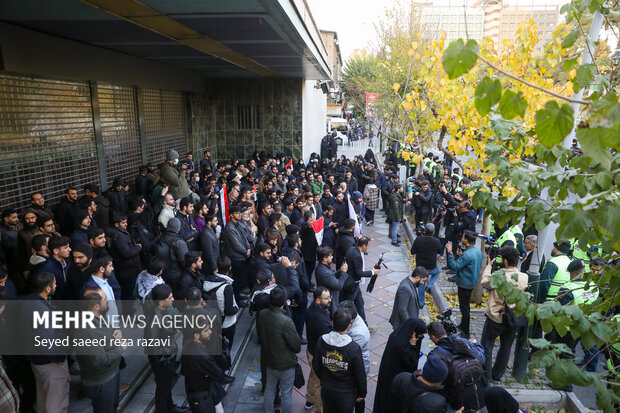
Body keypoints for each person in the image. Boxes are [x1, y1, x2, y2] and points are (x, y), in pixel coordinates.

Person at [21, 271, 70, 413]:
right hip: (51, 365)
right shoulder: (42, 311)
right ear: (47, 288)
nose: (56, 285)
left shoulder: (27, 302)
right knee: (56, 404)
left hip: (37, 362)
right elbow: (50, 344)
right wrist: (61, 356)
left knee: (43, 399)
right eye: (54, 283)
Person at [480, 247, 528, 382]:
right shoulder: (524, 277)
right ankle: (497, 375)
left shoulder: (499, 276)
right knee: (506, 346)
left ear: (505, 261)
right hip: (513, 318)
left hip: (495, 316)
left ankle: (486, 375)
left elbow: (484, 282)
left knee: (487, 346)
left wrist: (489, 266)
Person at [75, 287, 125, 413]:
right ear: (96, 306)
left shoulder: (98, 316)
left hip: (111, 374)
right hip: (102, 382)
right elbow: (97, 360)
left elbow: (105, 334)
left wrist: (115, 332)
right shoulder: (85, 330)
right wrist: (119, 348)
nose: (108, 300)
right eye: (104, 298)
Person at [313, 307, 366, 413]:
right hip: (346, 394)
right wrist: (362, 393)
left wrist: (324, 378)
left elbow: (316, 365)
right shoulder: (354, 348)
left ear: (332, 322)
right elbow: (360, 374)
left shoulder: (321, 341)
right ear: (349, 326)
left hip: (327, 390)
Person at [257, 286, 301, 413]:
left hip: (269, 360)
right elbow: (296, 346)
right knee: (286, 393)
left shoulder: (263, 314)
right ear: (284, 302)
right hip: (285, 363)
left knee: (270, 388)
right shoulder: (286, 321)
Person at [144, 284, 185, 413]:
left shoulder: (163, 312)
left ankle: (170, 406)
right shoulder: (155, 319)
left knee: (165, 387)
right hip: (163, 360)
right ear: (161, 301)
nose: (173, 299)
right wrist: (163, 361)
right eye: (170, 297)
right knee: (162, 389)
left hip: (167, 356)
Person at [374, 318, 427, 413]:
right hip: (396, 379)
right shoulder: (402, 346)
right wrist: (412, 346)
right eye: (420, 334)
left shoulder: (396, 336)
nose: (421, 337)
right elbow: (411, 364)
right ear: (413, 332)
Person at [181, 323, 234, 413]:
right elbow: (220, 376)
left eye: (209, 329)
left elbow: (184, 370)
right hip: (203, 395)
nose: (210, 332)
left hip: (195, 391)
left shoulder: (188, 345)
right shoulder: (203, 356)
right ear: (196, 335)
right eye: (206, 331)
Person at [446, 230, 484, 338]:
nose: (461, 237)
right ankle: (463, 325)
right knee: (465, 306)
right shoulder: (477, 251)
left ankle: (465, 331)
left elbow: (455, 266)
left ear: (466, 240)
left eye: (463, 236)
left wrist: (450, 253)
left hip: (464, 284)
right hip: (471, 282)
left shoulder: (467, 254)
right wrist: (460, 256)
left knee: (464, 308)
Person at [304, 287, 333, 412]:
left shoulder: (312, 310)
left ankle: (309, 400)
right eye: (326, 299)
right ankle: (319, 409)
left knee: (313, 376)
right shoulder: (319, 319)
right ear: (317, 300)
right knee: (319, 385)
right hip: (317, 355)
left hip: (311, 350)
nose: (330, 300)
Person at [204, 256, 239, 346]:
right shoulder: (227, 287)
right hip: (226, 324)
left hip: (211, 322)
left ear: (217, 268)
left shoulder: (207, 281)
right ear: (230, 268)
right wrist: (236, 308)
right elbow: (229, 311)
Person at [344, 236, 380, 322]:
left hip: (354, 284)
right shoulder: (357, 255)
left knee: (360, 303)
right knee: (348, 306)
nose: (368, 248)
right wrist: (372, 272)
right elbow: (359, 273)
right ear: (363, 245)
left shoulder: (351, 249)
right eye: (368, 246)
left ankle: (364, 323)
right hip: (352, 284)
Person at [410, 222, 442, 306]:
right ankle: (430, 285)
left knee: (421, 284)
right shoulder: (436, 241)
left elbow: (412, 252)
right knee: (437, 272)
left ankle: (421, 303)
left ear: (424, 230)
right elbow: (440, 252)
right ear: (433, 232)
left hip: (420, 268)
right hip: (432, 267)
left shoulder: (418, 239)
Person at [315, 246, 348, 315]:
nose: (332, 257)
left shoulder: (323, 267)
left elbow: (332, 276)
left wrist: (340, 271)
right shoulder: (324, 272)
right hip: (329, 303)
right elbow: (338, 285)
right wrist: (343, 272)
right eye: (330, 256)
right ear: (325, 259)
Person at [37, 235, 72, 300]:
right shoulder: (46, 269)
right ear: (56, 251)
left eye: (69, 247)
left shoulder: (68, 263)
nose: (70, 249)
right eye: (65, 248)